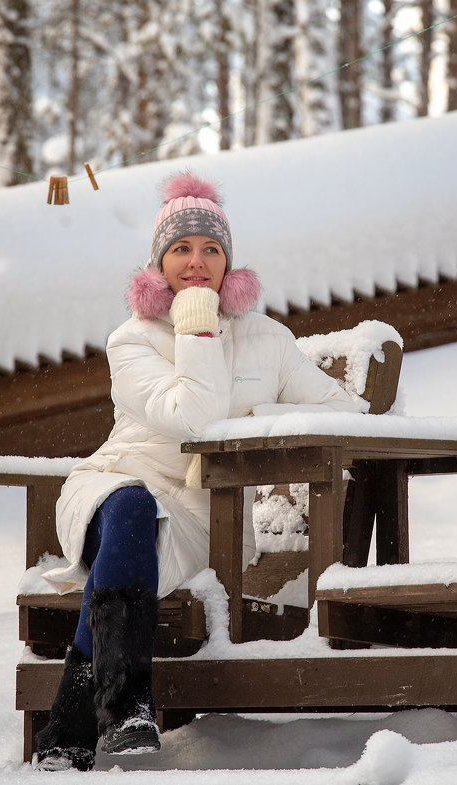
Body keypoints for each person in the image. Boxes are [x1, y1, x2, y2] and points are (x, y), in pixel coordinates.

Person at [32, 171, 361, 771]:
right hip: (111, 487)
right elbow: (192, 417)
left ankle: (69, 723)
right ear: (158, 262)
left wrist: (258, 414)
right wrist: (197, 323)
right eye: (181, 248)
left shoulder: (267, 339)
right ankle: (130, 703)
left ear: (229, 262)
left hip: (202, 517)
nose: (196, 261)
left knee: (137, 537)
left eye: (212, 249)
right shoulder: (130, 340)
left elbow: (345, 410)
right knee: (131, 508)